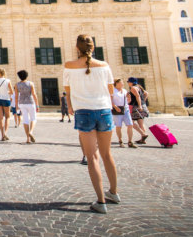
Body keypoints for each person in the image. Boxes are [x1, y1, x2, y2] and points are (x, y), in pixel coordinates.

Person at [63, 34, 119, 214]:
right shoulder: (104, 66)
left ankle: (101, 201)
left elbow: (68, 90)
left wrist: (71, 107)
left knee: (92, 157)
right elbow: (110, 89)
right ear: (93, 48)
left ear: (77, 49)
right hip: (104, 111)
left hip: (84, 112)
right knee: (106, 154)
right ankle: (114, 193)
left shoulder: (69, 66)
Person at [14, 70, 39, 144]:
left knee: (25, 120)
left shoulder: (16, 85)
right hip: (30, 102)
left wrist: (16, 106)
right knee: (33, 118)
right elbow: (34, 94)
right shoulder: (30, 83)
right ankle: (31, 131)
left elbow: (16, 96)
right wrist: (37, 104)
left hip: (21, 103)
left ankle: (28, 139)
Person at [111, 79, 135, 148]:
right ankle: (120, 140)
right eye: (121, 82)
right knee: (119, 126)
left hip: (125, 109)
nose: (123, 84)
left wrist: (129, 99)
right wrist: (115, 107)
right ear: (117, 83)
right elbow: (110, 100)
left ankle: (130, 141)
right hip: (117, 110)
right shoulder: (113, 90)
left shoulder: (124, 90)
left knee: (130, 125)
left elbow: (127, 101)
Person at [0, 69, 14, 141]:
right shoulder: (7, 81)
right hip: (6, 99)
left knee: (0, 118)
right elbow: (11, 91)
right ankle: (5, 133)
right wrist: (6, 91)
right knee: (7, 117)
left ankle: (2, 135)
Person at [128, 79, 149, 144]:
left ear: (131, 82)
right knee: (141, 124)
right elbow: (146, 93)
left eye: (128, 82)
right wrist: (143, 101)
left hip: (136, 107)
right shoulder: (139, 88)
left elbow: (137, 96)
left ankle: (143, 134)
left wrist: (139, 105)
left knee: (130, 122)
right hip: (143, 106)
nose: (128, 83)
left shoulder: (133, 88)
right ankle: (143, 139)